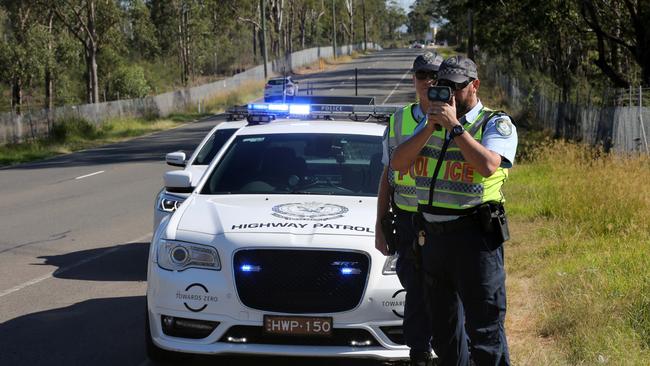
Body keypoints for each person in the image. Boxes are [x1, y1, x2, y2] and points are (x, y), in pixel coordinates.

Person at [391, 55, 517, 366]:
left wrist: (455, 128)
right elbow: (398, 163)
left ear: (474, 86)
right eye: (442, 85)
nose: (447, 93)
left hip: (475, 240)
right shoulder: (429, 123)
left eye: (455, 87)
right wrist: (429, 128)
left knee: (484, 329)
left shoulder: (494, 122)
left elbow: (488, 165)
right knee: (444, 331)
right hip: (434, 239)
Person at [375, 51, 442, 366]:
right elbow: (387, 175)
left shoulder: (457, 117)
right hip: (407, 219)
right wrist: (380, 224)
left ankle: (454, 350)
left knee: (446, 290)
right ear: (414, 80)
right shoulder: (399, 119)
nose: (427, 82)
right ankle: (418, 354)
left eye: (434, 76)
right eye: (421, 76)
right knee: (414, 290)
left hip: (444, 219)